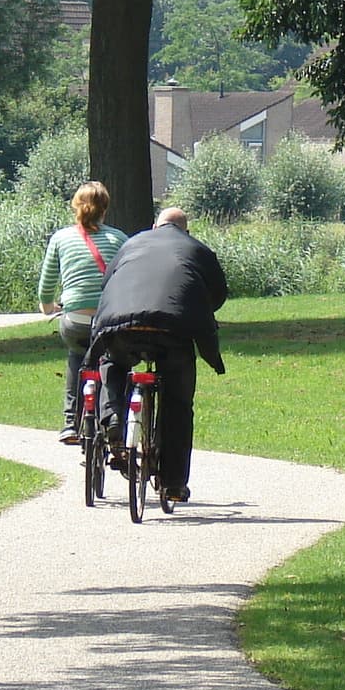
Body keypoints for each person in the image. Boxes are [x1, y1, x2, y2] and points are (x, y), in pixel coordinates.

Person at [86, 206, 227, 505]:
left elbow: (107, 283)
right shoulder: (198, 250)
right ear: (186, 231)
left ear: (154, 226)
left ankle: (111, 418)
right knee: (178, 401)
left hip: (121, 325)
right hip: (172, 330)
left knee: (112, 361)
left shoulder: (131, 243)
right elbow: (218, 294)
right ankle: (174, 482)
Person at [37, 181, 126, 443]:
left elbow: (47, 283)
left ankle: (70, 424)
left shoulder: (61, 238)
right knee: (114, 360)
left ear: (75, 206)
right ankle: (113, 418)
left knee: (77, 356)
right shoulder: (119, 238)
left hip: (75, 319)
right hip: (110, 320)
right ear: (105, 209)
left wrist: (48, 307)